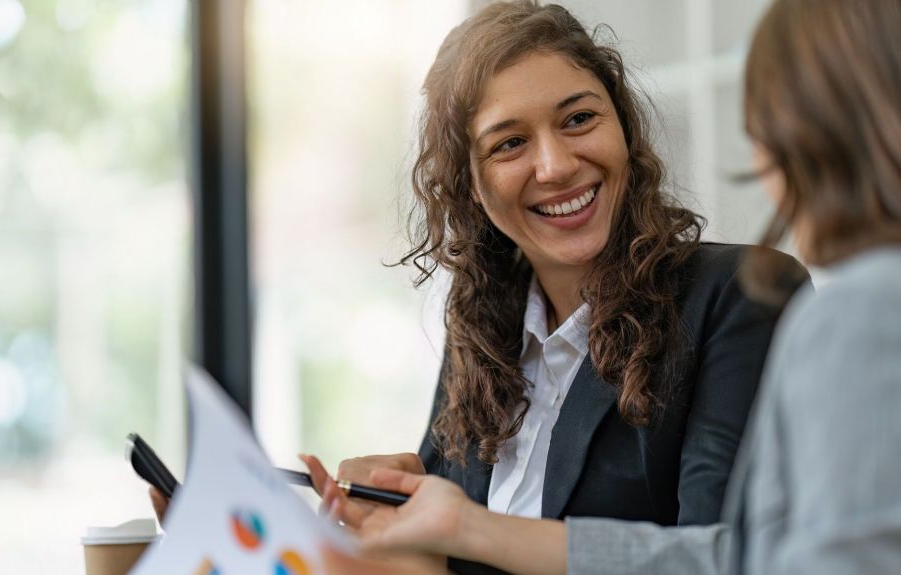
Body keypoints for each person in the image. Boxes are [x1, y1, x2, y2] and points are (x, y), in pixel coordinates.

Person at [317, 0, 901, 573]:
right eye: (509, 143)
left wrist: (464, 531)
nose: (555, 166)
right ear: (470, 185)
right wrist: (408, 534)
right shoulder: (480, 327)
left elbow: (727, 556)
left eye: (578, 119)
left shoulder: (738, 295)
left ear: (623, 128)